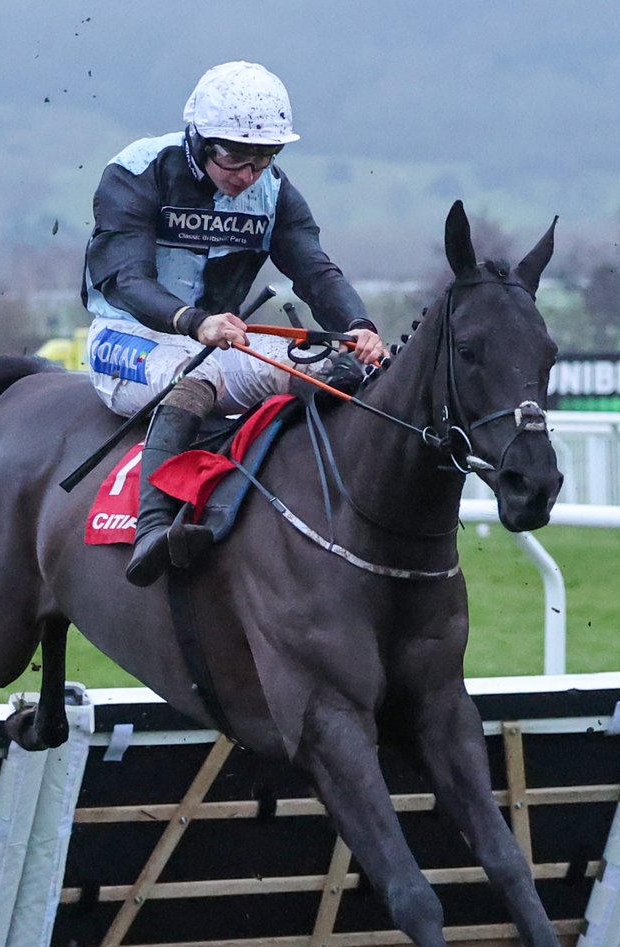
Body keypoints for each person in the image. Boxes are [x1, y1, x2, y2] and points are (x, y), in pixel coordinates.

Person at [82, 60, 387, 587]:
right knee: (193, 379)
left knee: (326, 370)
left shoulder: (275, 190)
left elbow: (314, 270)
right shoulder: (137, 170)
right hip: (128, 335)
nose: (248, 174)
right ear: (197, 138)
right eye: (234, 155)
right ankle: (151, 529)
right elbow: (124, 279)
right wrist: (191, 320)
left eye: (265, 157)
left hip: (222, 335)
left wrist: (357, 325)